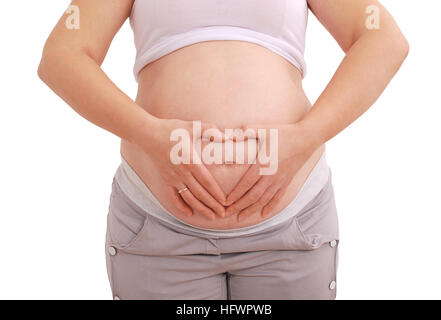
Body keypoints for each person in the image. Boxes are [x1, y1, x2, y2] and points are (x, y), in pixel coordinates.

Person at [38, 0, 409, 300]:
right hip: (160, 232)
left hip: (289, 228)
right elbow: (62, 55)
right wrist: (149, 135)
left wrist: (305, 138)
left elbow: (382, 39)